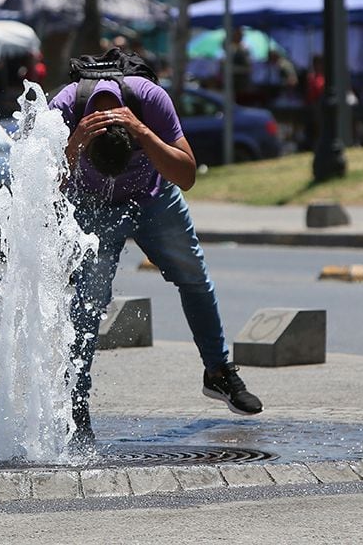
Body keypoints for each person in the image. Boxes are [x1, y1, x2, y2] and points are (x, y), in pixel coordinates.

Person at [49, 57, 264, 445]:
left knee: (194, 276)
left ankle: (218, 373)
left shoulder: (151, 99)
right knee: (87, 302)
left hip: (154, 197)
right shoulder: (64, 108)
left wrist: (144, 133)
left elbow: (186, 176)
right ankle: (74, 407)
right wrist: (74, 144)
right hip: (93, 206)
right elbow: (47, 184)